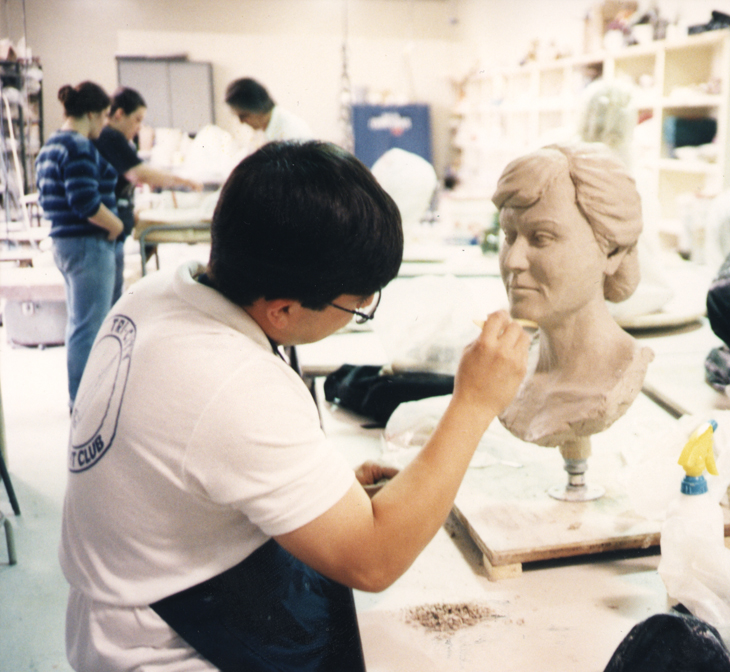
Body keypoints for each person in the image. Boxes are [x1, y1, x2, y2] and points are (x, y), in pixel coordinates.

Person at [58, 140, 530, 671]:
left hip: (143, 581)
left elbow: (197, 455)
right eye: (357, 305)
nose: (360, 311)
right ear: (281, 309)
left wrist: (309, 492)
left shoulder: (161, 293)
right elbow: (373, 562)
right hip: (163, 646)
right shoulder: (235, 382)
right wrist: (473, 402)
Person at [492, 142, 654, 448]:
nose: (513, 260)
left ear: (612, 252)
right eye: (509, 236)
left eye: (541, 238)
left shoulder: (611, 381)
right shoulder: (511, 379)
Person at [36, 81, 125, 407]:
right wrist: (115, 225)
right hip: (88, 244)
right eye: (103, 116)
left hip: (66, 244)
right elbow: (85, 201)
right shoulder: (78, 146)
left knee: (80, 323)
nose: (104, 124)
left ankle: (83, 399)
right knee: (89, 328)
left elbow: (48, 198)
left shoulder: (51, 145)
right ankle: (86, 404)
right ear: (90, 113)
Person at [94, 86, 202, 301]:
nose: (139, 127)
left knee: (111, 298)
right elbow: (139, 173)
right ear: (119, 114)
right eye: (137, 119)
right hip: (105, 231)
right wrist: (183, 181)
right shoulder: (110, 137)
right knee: (104, 304)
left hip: (114, 230)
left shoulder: (119, 141)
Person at [224, 76, 312, 142]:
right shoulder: (261, 131)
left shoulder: (291, 133)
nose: (241, 122)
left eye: (243, 116)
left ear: (259, 109)